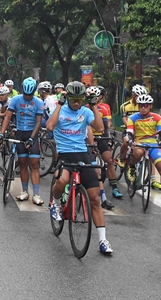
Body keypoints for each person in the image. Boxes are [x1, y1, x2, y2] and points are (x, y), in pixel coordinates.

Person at [46, 81, 113, 255]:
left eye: (80, 100)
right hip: (65, 154)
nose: (77, 103)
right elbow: (50, 127)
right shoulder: (61, 110)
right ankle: (55, 204)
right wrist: (60, 105)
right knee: (62, 180)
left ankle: (103, 240)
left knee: (95, 199)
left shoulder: (86, 111)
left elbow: (99, 127)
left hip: (83, 154)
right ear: (67, 97)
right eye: (73, 99)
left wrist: (94, 106)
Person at [125, 94, 161, 211]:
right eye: (140, 105)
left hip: (153, 145)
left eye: (145, 105)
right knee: (138, 153)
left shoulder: (157, 117)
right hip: (139, 143)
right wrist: (130, 141)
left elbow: (160, 133)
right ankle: (132, 167)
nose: (143, 108)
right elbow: (129, 132)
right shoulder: (133, 118)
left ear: (150, 106)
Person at [2, 77, 44, 204]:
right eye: (25, 94)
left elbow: (38, 122)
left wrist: (32, 138)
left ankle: (36, 194)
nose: (27, 97)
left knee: (35, 164)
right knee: (23, 163)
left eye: (30, 95)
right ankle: (25, 192)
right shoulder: (15, 100)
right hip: (20, 133)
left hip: (33, 133)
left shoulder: (39, 102)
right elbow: (7, 117)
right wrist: (1, 133)